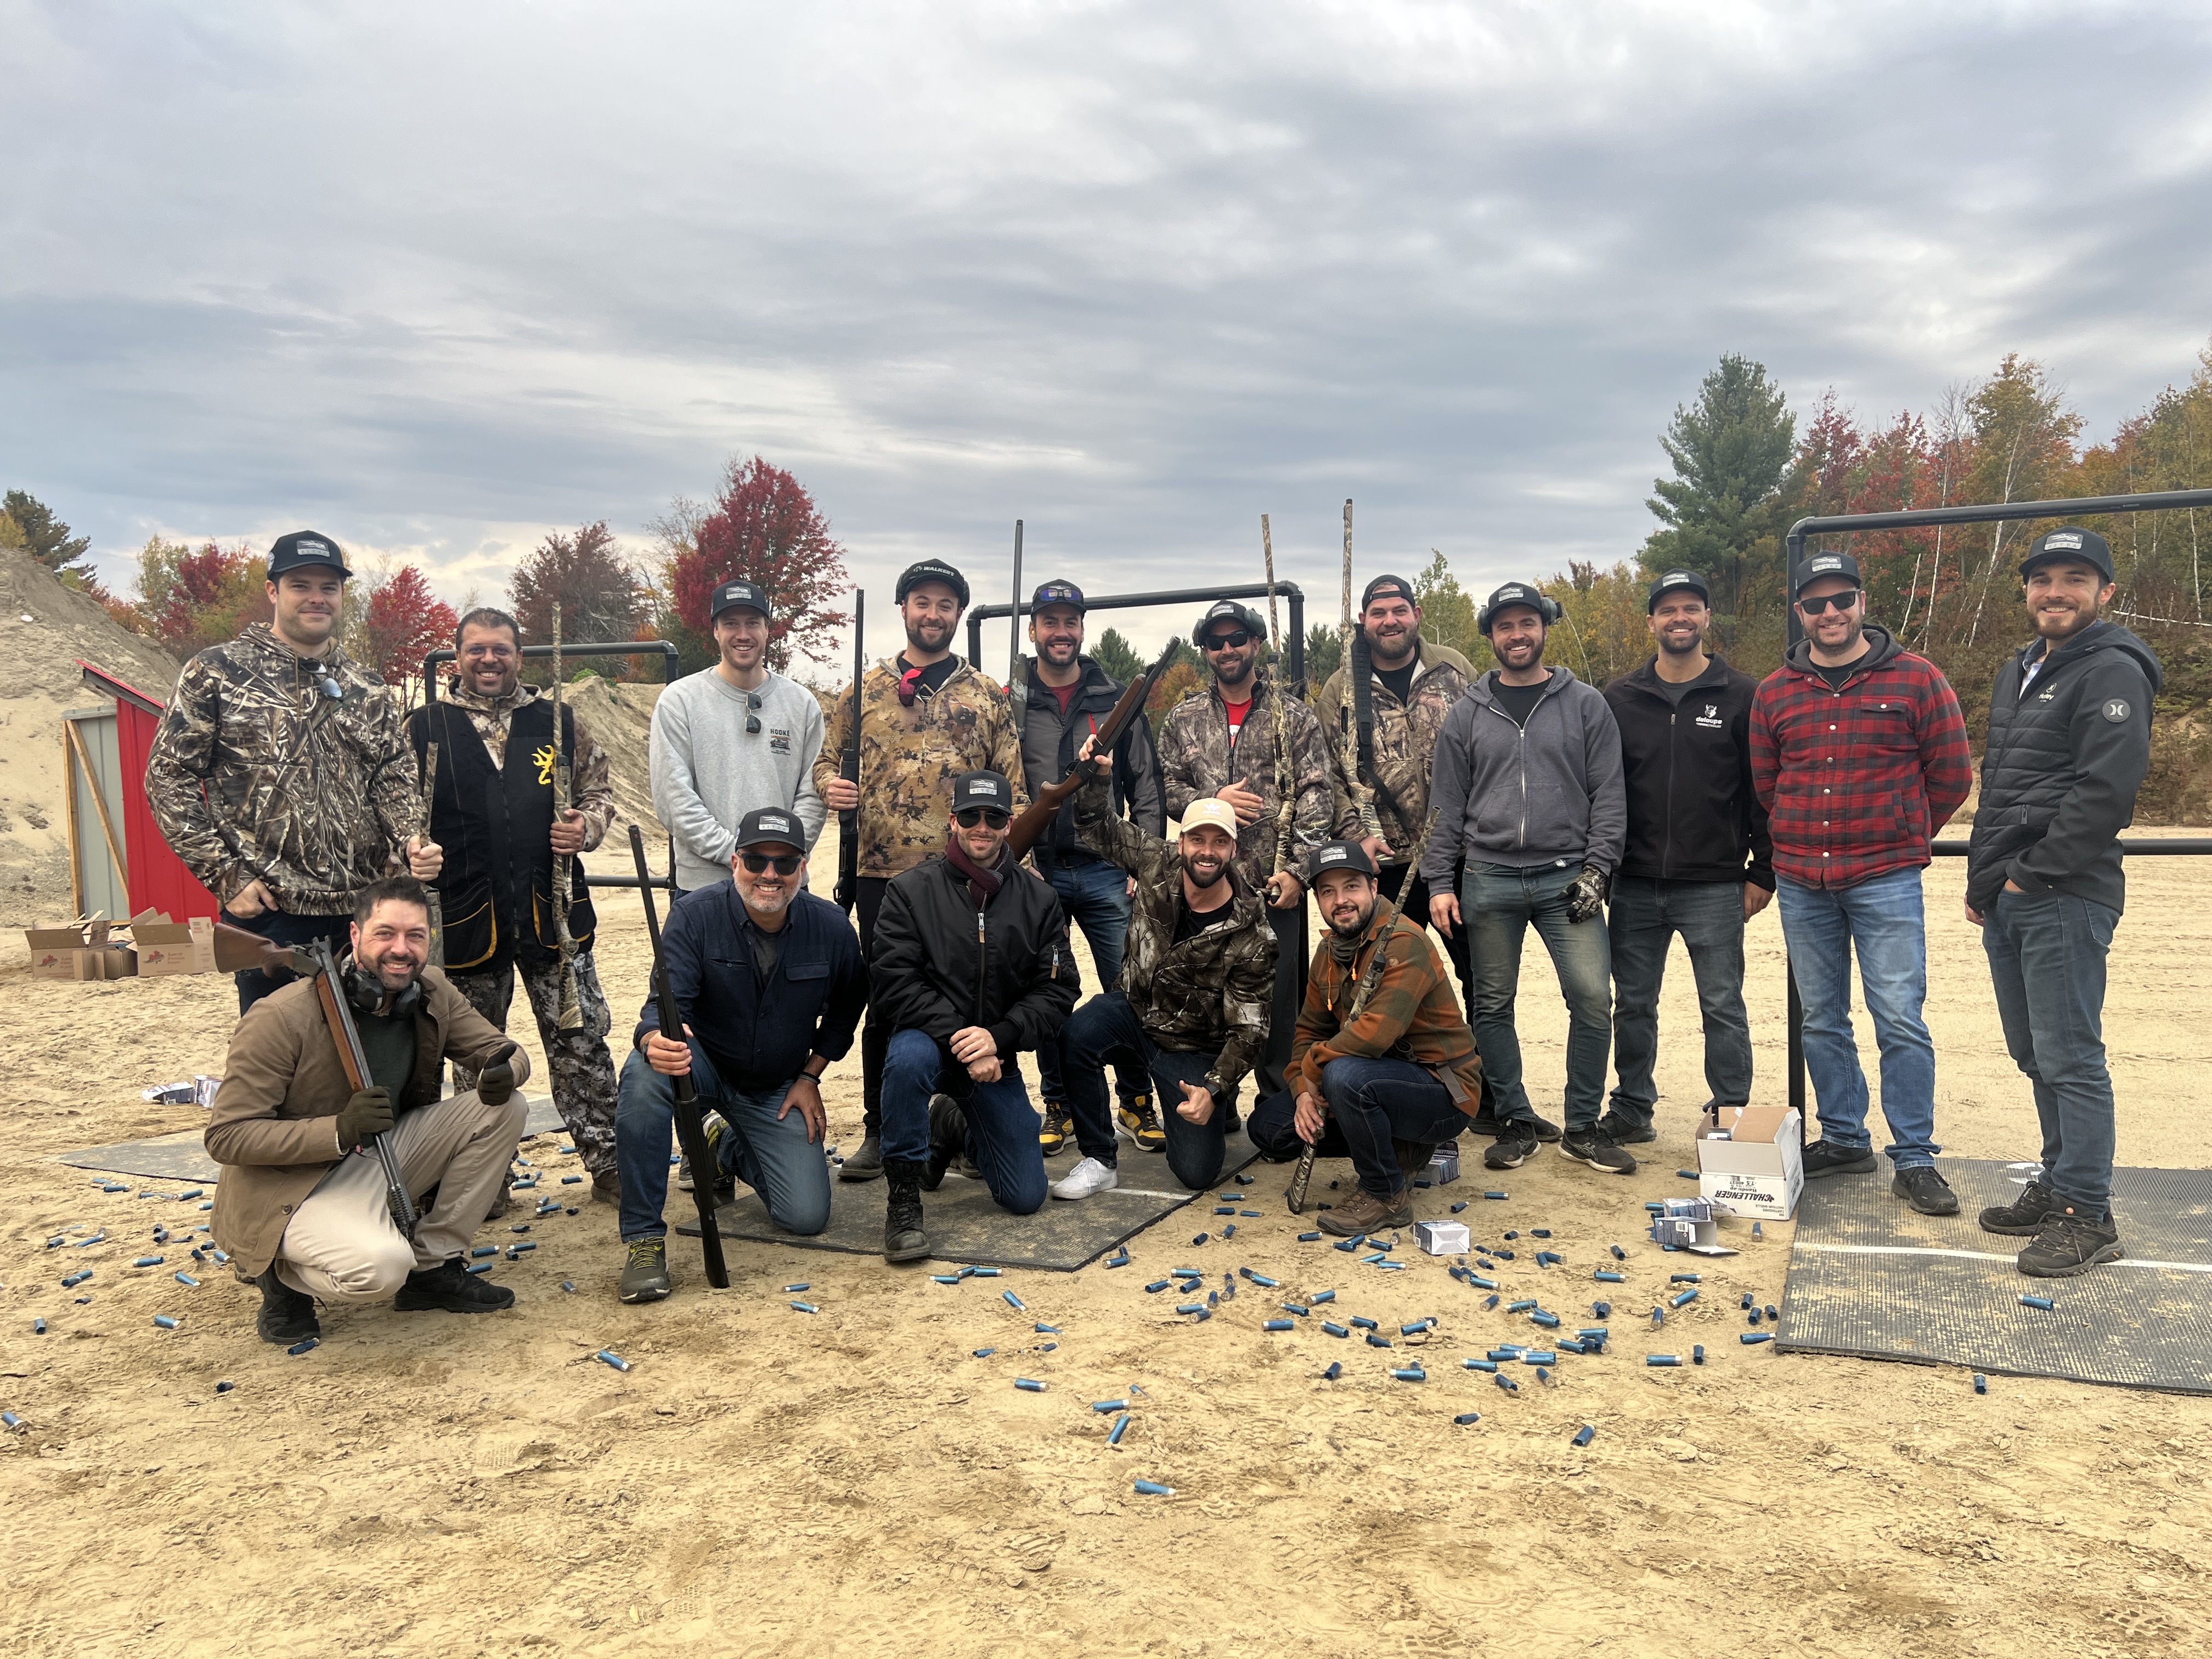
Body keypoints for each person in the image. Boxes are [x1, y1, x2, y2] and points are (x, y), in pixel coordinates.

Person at [206, 875, 531, 1345]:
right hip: (293, 1185)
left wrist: (507, 1071)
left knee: (504, 1109)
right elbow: (226, 1137)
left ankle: (433, 1269)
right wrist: (337, 1131)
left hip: (378, 1156)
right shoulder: (280, 1017)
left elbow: (506, 1052)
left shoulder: (431, 990)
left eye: (415, 936)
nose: (401, 949)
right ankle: (279, 1278)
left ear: (429, 941)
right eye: (385, 934)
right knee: (381, 1270)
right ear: (356, 936)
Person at [1751, 550, 1970, 1215]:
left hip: (1885, 880)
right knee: (1822, 1019)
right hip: (1802, 881)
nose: (1830, 613)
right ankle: (1845, 1137)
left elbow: (1953, 775)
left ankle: (1914, 1157)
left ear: (1862, 604)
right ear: (1800, 613)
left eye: (1841, 599)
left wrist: (1902, 832)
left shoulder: (1917, 680)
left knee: (1899, 1018)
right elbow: (1768, 784)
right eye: (1815, 604)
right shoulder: (1775, 691)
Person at [1966, 528, 2159, 1277]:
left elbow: (2105, 793)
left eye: (2076, 578)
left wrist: (2029, 876)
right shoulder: (2024, 667)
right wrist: (1988, 884)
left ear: (2105, 591)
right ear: (2026, 590)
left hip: (2064, 894)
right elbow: (2010, 785)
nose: (2056, 592)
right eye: (2043, 579)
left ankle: (2087, 1212)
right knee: (2034, 1052)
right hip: (2015, 895)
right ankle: (2059, 1185)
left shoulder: (2111, 670)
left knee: (2071, 1056)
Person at [146, 531, 442, 1013]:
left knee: (373, 1056)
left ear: (343, 595)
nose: (316, 598)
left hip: (363, 911)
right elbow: (168, 777)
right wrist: (226, 875)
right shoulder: (218, 673)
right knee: (279, 1059)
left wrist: (411, 838)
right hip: (273, 914)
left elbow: (393, 777)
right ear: (273, 591)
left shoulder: (367, 686)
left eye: (329, 587)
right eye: (300, 585)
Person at [815, 560, 1025, 1183]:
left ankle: (971, 1117)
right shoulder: (863, 691)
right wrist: (834, 787)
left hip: (968, 875)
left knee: (979, 994)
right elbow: (826, 764)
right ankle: (883, 1130)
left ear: (959, 616)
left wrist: (1021, 869)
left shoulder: (986, 696)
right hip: (883, 876)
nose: (933, 614)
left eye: (945, 605)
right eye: (922, 602)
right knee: (887, 1003)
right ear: (904, 608)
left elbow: (1013, 786)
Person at [411, 608, 623, 1205]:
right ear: (457, 658)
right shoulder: (425, 728)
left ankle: (608, 1161)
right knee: (479, 1060)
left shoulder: (558, 721)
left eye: (500, 649)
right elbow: (399, 813)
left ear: (518, 657)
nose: (488, 660)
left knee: (582, 1046)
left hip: (554, 915)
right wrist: (411, 850)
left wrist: (587, 826)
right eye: (476, 649)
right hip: (464, 919)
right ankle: (485, 1178)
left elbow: (599, 789)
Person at [613, 808, 866, 1301]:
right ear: (734, 863)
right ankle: (644, 1241)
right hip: (703, 1066)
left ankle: (720, 1144)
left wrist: (810, 1077)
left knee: (806, 1218)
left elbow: (847, 1011)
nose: (770, 875)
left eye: (785, 864)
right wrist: (654, 1042)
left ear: (804, 867)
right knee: (644, 1077)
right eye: (756, 860)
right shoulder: (694, 914)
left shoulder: (833, 927)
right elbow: (660, 1008)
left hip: (777, 1083)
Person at [1425, 582, 1628, 1175]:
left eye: (1528, 623)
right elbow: (1446, 806)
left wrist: (1599, 869)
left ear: (1545, 629)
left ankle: (1584, 1126)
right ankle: (1514, 1119)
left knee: (1593, 998)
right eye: (1506, 625)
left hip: (1568, 877)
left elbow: (1609, 795)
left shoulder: (1586, 704)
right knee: (1492, 1004)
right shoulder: (1466, 714)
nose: (1518, 635)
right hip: (1488, 877)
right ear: (1490, 636)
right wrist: (1440, 881)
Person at [1049, 737, 1274, 1198]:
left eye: (1219, 842)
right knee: (1075, 1034)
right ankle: (1098, 1157)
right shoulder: (1156, 861)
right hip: (1135, 1012)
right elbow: (1096, 825)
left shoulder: (1253, 933)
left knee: (1196, 1171)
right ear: (1182, 841)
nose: (1206, 852)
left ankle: (1212, 1106)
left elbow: (1249, 1032)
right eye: (1197, 840)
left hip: (1191, 1049)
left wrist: (1211, 1088)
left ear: (1233, 850)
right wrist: (1099, 778)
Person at [870, 771, 1079, 1258]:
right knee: (905, 1062)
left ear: (1010, 824)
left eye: (994, 817)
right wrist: (965, 1037)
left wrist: (1000, 1037)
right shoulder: (907, 891)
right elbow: (893, 983)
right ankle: (903, 1199)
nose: (981, 827)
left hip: (994, 1056)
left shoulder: (1041, 899)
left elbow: (1058, 990)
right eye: (970, 816)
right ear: (953, 820)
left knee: (1025, 1196)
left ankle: (951, 1123)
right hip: (927, 1040)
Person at [1598, 569, 1774, 1145]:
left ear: (1705, 618)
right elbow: (1598, 787)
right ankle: (1631, 1107)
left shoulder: (1743, 695)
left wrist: (1762, 872)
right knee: (1633, 1004)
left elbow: (1762, 790)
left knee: (1722, 1004)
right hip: (1634, 881)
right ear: (1650, 621)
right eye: (1668, 609)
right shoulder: (1617, 699)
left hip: (1715, 884)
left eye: (1691, 608)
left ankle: (1730, 1115)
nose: (1680, 618)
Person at [1009, 578, 1167, 1160]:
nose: (1061, 632)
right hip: (1038, 871)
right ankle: (1061, 1104)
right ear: (1033, 631)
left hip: (1106, 867)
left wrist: (1143, 861)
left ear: (1082, 629)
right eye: (1049, 622)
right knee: (1048, 993)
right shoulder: (1012, 698)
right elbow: (1002, 781)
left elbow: (1146, 785)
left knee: (1128, 990)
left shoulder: (1115, 696)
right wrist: (1017, 864)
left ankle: (1134, 1099)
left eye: (1070, 621)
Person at [1157, 598, 1338, 1099]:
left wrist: (1300, 873)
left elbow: (1317, 797)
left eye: (1238, 638)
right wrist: (1211, 800)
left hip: (1272, 887)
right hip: (1206, 888)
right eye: (1217, 642)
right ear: (1207, 651)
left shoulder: (1293, 717)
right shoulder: (1183, 718)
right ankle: (1216, 1099)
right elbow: (1166, 789)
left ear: (1256, 644)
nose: (1228, 648)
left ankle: (1279, 1104)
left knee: (1277, 1006)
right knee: (1207, 999)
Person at [1284, 842, 1485, 1235]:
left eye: (1352, 887)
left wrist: (1314, 1069)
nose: (1341, 901)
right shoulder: (1328, 950)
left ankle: (1385, 1194)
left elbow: (1375, 1036)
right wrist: (1302, 1093)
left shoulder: (1404, 943)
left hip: (1442, 1090)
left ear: (1374, 888)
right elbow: (1309, 1030)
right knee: (1272, 1131)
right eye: (1328, 892)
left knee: (1344, 1077)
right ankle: (1397, 1148)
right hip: (1380, 1079)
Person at [1312, 573, 1478, 1003]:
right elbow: (1328, 772)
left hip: (1458, 858)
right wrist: (1356, 837)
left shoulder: (1454, 669)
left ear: (1416, 615)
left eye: (1400, 610)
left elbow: (1486, 752)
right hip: (1386, 865)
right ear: (1364, 620)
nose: (1391, 621)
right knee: (1389, 986)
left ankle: (1480, 1071)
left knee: (1484, 982)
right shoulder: (1340, 688)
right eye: (1380, 613)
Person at [651, 578, 827, 893]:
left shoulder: (802, 705)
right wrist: (741, 856)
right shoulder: (680, 701)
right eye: (731, 623)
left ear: (767, 630)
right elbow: (674, 797)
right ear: (716, 631)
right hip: (703, 889)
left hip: (783, 886)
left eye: (753, 623)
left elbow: (813, 794)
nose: (743, 634)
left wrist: (780, 856)